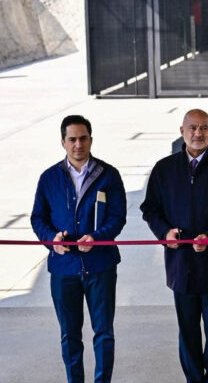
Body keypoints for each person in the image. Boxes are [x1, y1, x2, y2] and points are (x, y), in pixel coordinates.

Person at [140, 109, 208, 383]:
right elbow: (150, 209)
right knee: (187, 333)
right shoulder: (163, 170)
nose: (198, 133)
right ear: (182, 131)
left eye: (204, 128)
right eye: (192, 128)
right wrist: (164, 233)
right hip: (181, 266)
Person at [31, 115, 127, 383]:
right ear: (63, 142)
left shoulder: (108, 175)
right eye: (72, 139)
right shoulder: (49, 178)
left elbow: (117, 217)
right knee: (69, 335)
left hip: (101, 267)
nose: (78, 144)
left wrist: (97, 237)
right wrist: (52, 239)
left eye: (83, 138)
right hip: (64, 269)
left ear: (91, 140)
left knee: (104, 333)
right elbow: (38, 218)